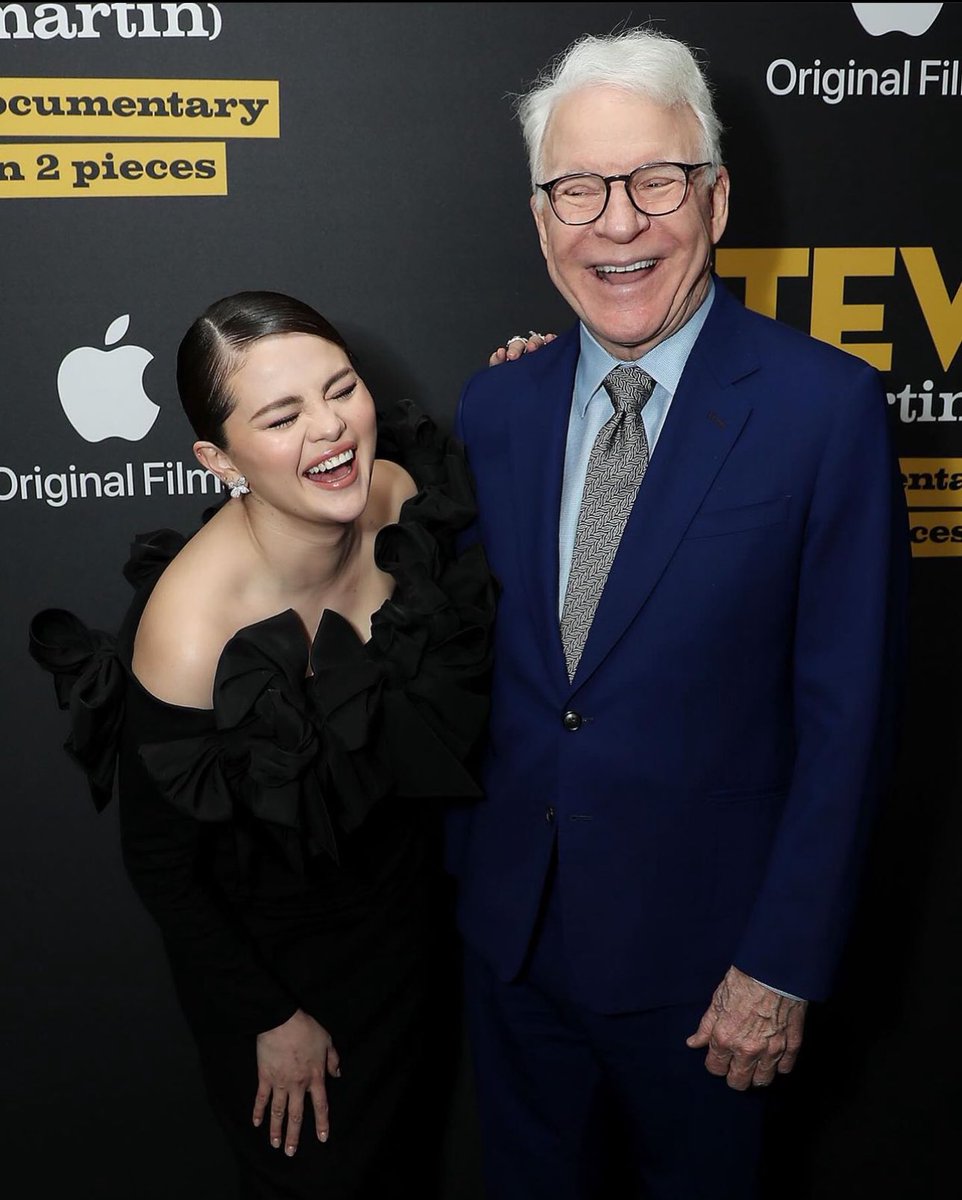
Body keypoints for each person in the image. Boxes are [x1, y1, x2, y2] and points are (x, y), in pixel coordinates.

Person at [447, 28, 909, 1200]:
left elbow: (846, 720)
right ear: (539, 214)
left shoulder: (824, 410)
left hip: (709, 980)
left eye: (654, 181)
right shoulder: (496, 406)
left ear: (711, 199)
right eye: (576, 190)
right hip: (512, 954)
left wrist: (781, 965)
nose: (615, 224)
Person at [30, 291, 496, 1200]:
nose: (331, 429)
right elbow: (162, 864)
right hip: (279, 966)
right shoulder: (192, 631)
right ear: (219, 459)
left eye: (341, 389)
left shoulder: (400, 498)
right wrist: (271, 1016)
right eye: (282, 416)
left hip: (406, 928)